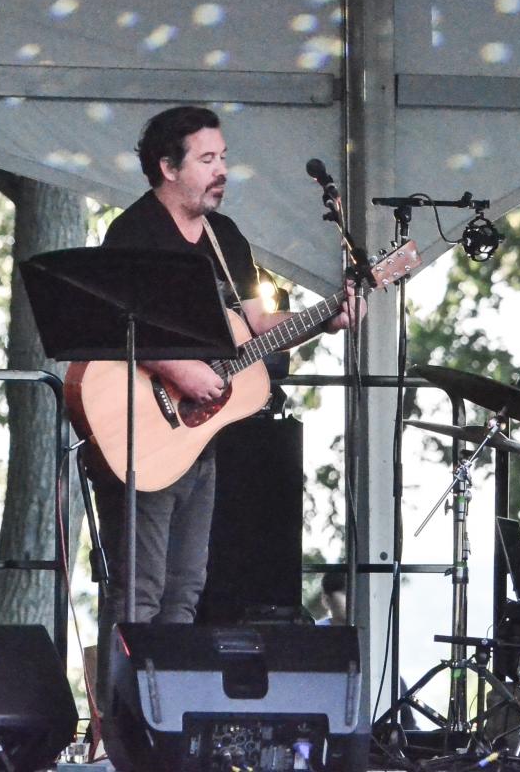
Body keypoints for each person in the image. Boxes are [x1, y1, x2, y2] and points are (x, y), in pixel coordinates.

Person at [90, 105, 355, 709]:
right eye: (207, 160)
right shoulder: (135, 233)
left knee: (186, 589)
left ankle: (167, 715)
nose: (221, 171)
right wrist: (184, 372)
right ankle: (123, 725)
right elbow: (114, 324)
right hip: (141, 428)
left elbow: (258, 323)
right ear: (167, 167)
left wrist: (326, 319)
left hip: (198, 440)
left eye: (224, 159)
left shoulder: (224, 236)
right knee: (140, 591)